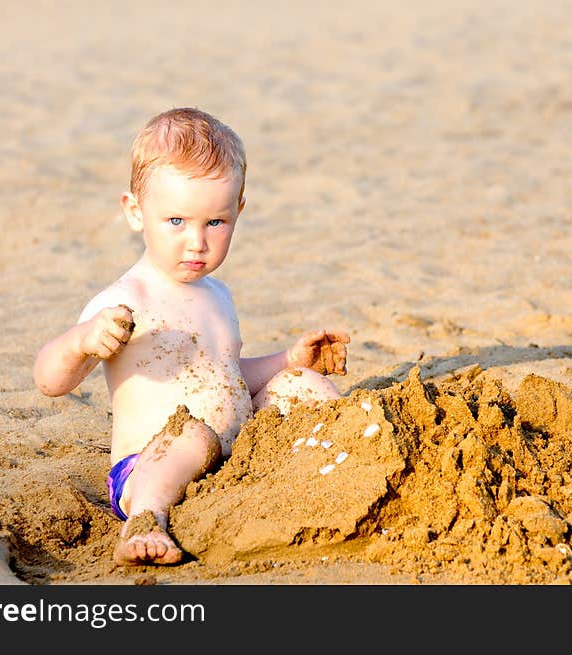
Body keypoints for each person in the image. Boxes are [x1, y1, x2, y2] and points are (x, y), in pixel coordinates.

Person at [32, 107, 350, 566]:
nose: (197, 242)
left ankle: (339, 468)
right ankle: (145, 521)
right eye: (177, 222)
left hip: (233, 456)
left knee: (302, 387)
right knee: (193, 436)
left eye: (215, 223)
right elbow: (49, 380)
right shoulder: (125, 300)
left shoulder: (217, 295)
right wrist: (82, 340)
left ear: (238, 211)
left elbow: (227, 379)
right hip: (151, 465)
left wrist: (288, 360)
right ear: (136, 212)